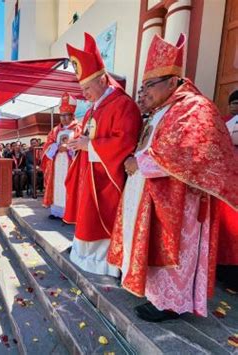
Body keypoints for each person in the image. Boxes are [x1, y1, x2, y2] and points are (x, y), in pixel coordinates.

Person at [108, 34, 238, 322]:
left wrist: (137, 162)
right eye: (143, 87)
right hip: (150, 189)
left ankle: (170, 303)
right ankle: (153, 294)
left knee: (175, 249)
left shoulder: (194, 107)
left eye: (149, 86)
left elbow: (187, 151)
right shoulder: (162, 109)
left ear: (171, 81)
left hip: (179, 200)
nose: (145, 92)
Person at [64, 33, 142, 276]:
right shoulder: (94, 109)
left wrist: (91, 146)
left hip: (108, 178)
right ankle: (83, 253)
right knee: (85, 216)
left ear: (102, 80)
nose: (84, 93)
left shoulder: (123, 105)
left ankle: (103, 261)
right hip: (91, 173)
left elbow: (126, 141)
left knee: (100, 218)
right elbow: (87, 135)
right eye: (81, 88)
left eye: (87, 87)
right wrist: (77, 142)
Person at [41, 93, 81, 218]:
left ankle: (68, 214)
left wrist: (68, 148)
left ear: (72, 115)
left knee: (68, 188)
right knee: (57, 187)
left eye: (66, 115)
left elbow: (81, 146)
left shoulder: (78, 129)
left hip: (71, 165)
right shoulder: (55, 130)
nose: (63, 118)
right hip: (56, 166)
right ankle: (56, 211)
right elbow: (47, 144)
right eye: (61, 115)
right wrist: (56, 147)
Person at [216, 90, 238, 292]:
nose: (235, 106)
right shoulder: (223, 121)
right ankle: (220, 271)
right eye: (233, 102)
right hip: (223, 183)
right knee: (223, 230)